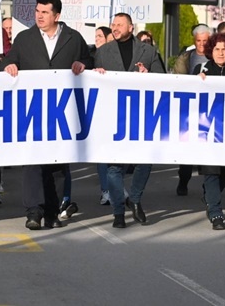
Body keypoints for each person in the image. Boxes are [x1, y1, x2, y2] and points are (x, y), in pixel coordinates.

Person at [0, 0, 93, 230]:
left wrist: (83, 64)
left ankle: (53, 211)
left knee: (58, 165)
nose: (39, 16)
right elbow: (8, 62)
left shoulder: (73, 38)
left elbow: (88, 61)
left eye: (44, 12)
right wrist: (8, 66)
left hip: (63, 112)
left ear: (57, 15)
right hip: (32, 110)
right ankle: (34, 211)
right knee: (32, 161)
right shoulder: (25, 38)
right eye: (37, 11)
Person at [92, 13, 165, 228]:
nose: (114, 27)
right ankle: (118, 213)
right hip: (113, 116)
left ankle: (134, 199)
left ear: (131, 27)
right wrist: (97, 74)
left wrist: (148, 74)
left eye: (119, 24)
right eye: (113, 24)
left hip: (140, 115)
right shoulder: (103, 52)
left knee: (144, 160)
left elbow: (163, 81)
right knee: (114, 167)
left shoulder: (148, 51)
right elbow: (96, 82)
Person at [193, 32, 225, 230]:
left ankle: (210, 195)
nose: (221, 53)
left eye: (224, 49)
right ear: (211, 51)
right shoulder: (201, 69)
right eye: (217, 49)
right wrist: (196, 81)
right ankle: (216, 213)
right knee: (211, 171)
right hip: (208, 129)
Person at [173, 24, 212, 195]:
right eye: (199, 41)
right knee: (188, 150)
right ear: (194, 41)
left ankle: (208, 185)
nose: (202, 44)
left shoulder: (217, 55)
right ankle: (184, 180)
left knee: (208, 150)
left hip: (211, 110)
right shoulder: (185, 59)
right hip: (190, 110)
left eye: (205, 41)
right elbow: (178, 80)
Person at [91, 25, 115, 205]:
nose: (97, 39)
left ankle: (115, 187)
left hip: (117, 109)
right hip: (100, 110)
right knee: (103, 153)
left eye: (100, 36)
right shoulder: (92, 56)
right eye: (96, 36)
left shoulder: (113, 56)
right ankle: (106, 190)